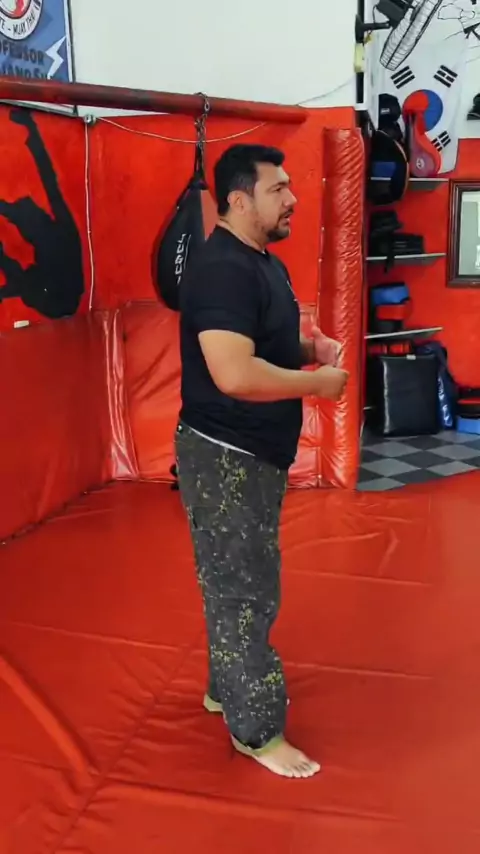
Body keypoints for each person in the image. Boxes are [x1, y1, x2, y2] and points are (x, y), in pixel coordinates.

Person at [175, 143, 348, 779]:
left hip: (251, 457)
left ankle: (224, 690)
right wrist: (318, 385)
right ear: (239, 199)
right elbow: (234, 372)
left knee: (234, 581)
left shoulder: (260, 261)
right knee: (245, 592)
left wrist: (308, 349)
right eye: (278, 189)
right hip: (227, 457)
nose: (292, 198)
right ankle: (257, 732)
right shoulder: (222, 269)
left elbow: (259, 343)